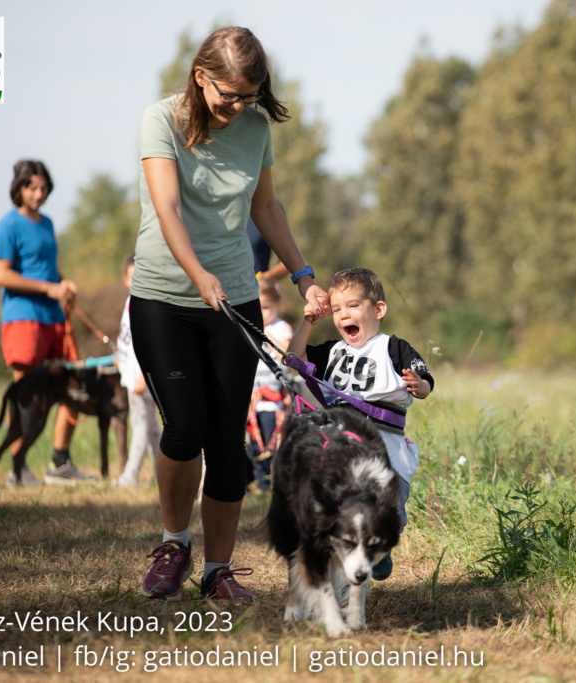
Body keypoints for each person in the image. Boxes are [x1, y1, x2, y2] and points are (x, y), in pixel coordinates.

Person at [130, 26, 328, 602]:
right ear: (200, 76)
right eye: (228, 96)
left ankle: (217, 571)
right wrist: (197, 275)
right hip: (164, 299)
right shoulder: (159, 120)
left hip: (234, 301)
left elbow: (265, 207)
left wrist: (303, 273)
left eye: (248, 96)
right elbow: (166, 208)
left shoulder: (256, 128)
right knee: (185, 425)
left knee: (226, 441)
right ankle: (173, 544)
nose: (238, 107)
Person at [287, 267, 434, 581]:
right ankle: (345, 569)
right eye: (337, 309)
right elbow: (294, 356)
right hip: (344, 442)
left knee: (391, 509)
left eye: (353, 306)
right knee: (340, 507)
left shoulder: (394, 348)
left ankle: (380, 545)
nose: (344, 315)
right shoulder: (331, 351)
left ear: (378, 310)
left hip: (387, 443)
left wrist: (419, 386)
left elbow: (425, 381)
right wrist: (307, 323)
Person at [0, 159, 95, 486]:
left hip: (54, 319)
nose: (38, 193)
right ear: (18, 189)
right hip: (24, 319)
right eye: (31, 187)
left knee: (75, 388)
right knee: (28, 398)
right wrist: (48, 288)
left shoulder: (47, 223)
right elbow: (0, 275)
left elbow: (45, 270)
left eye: (43, 187)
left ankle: (60, 463)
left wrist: (63, 284)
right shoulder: (8, 225)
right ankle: (17, 467)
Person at [114, 255, 160, 488]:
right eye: (133, 278)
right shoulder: (130, 303)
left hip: (141, 380)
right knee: (151, 430)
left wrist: (144, 376)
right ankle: (161, 474)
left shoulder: (145, 305)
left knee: (141, 429)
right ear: (125, 280)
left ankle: (130, 476)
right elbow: (128, 340)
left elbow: (151, 344)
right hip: (133, 377)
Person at [246, 277, 293, 492]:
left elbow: (288, 353)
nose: (262, 313)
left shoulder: (281, 328)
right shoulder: (248, 327)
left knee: (273, 441)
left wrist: (266, 335)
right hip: (253, 398)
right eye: (257, 308)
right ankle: (260, 482)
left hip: (274, 399)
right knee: (254, 443)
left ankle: (275, 482)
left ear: (278, 305)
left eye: (266, 307)